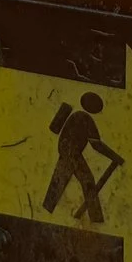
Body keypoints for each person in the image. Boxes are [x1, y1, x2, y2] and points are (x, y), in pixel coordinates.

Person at [42, 91, 124, 223]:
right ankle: (96, 218)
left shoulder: (78, 115)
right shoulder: (85, 118)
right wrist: (115, 157)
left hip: (67, 150)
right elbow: (96, 145)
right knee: (87, 181)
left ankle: (46, 209)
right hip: (71, 151)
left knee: (60, 178)